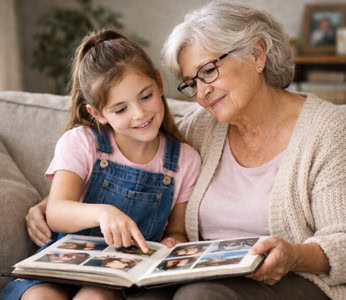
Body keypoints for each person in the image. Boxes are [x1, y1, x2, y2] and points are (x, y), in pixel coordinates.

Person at [24, 1, 346, 299]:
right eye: (192, 82)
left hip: (293, 278)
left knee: (199, 296)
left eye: (209, 71)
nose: (202, 93)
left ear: (257, 54)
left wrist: (292, 254)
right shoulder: (201, 127)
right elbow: (134, 162)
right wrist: (51, 203)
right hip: (202, 274)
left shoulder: (329, 130)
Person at [1, 28, 200, 300]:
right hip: (60, 266)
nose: (140, 113)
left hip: (120, 276)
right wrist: (103, 213)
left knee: (94, 296)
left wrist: (172, 243)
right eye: (121, 109)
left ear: (158, 82)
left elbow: (178, 229)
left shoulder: (184, 160)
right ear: (97, 113)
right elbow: (57, 211)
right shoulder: (82, 142)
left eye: (146, 96)